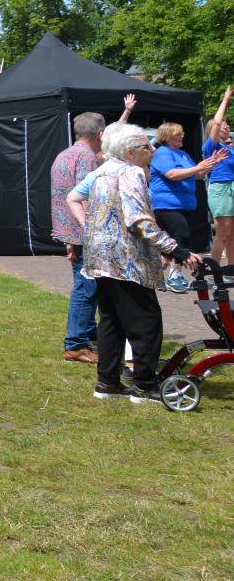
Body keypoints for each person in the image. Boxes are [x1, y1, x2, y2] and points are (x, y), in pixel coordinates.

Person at [69, 122, 202, 402]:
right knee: (146, 323)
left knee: (112, 322)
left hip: (101, 259)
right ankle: (144, 385)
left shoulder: (102, 171)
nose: (152, 148)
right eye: (145, 145)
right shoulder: (131, 173)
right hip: (126, 261)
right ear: (130, 152)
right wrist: (175, 249)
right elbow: (138, 219)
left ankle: (107, 383)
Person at [50, 111, 109, 363]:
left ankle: (87, 332)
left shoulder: (64, 154)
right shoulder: (86, 157)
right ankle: (76, 345)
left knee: (85, 286)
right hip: (84, 233)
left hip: (71, 232)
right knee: (86, 288)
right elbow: (85, 197)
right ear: (100, 134)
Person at [150, 121, 225, 274]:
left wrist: (212, 164)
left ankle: (163, 266)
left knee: (175, 240)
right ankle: (174, 272)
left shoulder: (183, 154)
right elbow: (171, 174)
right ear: (168, 136)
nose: (182, 136)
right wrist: (197, 167)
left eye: (182, 133)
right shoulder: (163, 153)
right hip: (167, 205)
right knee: (182, 236)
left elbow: (197, 174)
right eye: (178, 134)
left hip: (184, 205)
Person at [205, 87, 234, 267]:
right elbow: (216, 123)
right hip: (221, 188)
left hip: (231, 187)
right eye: (225, 125)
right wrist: (225, 100)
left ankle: (231, 269)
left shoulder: (229, 148)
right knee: (222, 233)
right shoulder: (212, 145)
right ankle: (212, 269)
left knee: (232, 235)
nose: (227, 126)